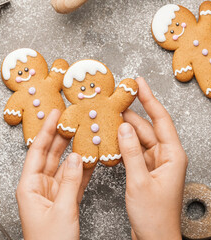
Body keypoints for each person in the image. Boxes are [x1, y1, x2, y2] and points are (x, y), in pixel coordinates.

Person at [16, 77, 188, 240]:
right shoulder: (76, 109)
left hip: (109, 144)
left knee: (108, 151)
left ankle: (108, 152)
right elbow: (67, 123)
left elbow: (120, 97)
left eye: (92, 85)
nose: (89, 90)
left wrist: (126, 89)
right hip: (85, 145)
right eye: (82, 88)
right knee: (85, 154)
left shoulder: (108, 102)